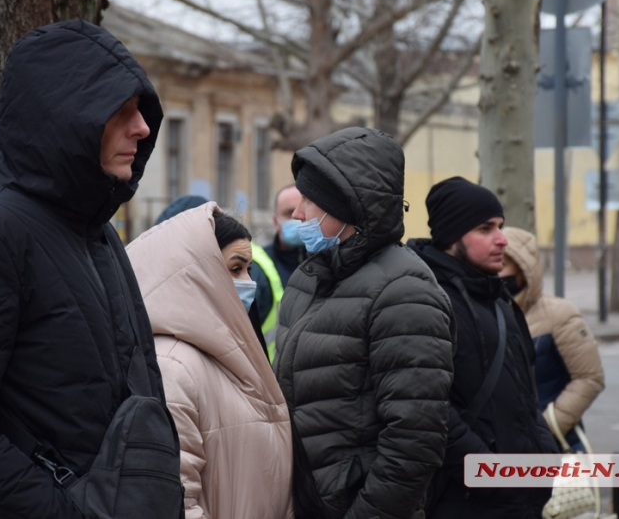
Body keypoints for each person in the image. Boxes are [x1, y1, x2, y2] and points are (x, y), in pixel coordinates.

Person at [0, 20, 181, 519]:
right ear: (68, 114)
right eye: (123, 110)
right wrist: (66, 510)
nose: (143, 128)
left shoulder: (96, 231)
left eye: (142, 110)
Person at [273, 127, 455, 519]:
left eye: (309, 200)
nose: (298, 214)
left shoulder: (405, 291)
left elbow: (414, 443)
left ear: (349, 206)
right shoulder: (309, 277)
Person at [127, 203, 295, 519]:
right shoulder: (173, 367)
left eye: (249, 269)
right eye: (235, 269)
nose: (249, 282)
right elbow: (179, 500)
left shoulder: (228, 352)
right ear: (198, 275)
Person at [406, 176, 559, 519]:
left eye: (501, 227)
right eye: (485, 229)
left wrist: (545, 457)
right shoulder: (425, 300)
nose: (502, 239)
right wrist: (490, 473)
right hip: (465, 502)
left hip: (520, 499)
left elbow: (526, 396)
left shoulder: (499, 300)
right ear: (451, 236)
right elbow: (427, 407)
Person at [501, 226, 605, 450]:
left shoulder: (560, 314)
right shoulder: (487, 313)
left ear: (523, 268)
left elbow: (589, 378)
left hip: (555, 446)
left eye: (503, 263)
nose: (496, 272)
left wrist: (547, 427)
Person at [251, 184, 307, 362]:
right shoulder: (258, 266)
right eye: (288, 213)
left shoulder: (331, 261)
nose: (297, 217)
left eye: (303, 210)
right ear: (275, 221)